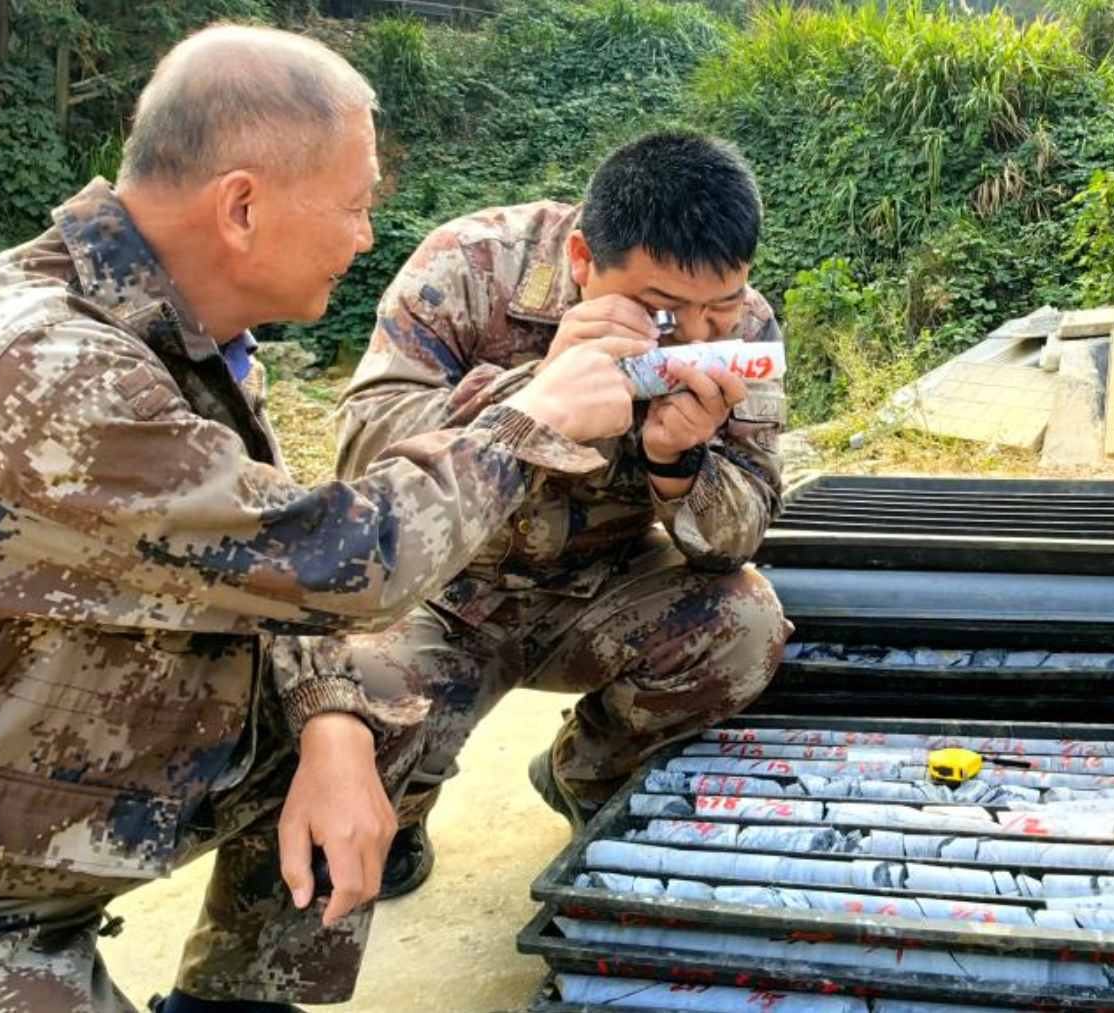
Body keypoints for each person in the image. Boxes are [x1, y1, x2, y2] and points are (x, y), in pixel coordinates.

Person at [0, 25, 644, 1012]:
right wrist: (531, 421)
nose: (365, 237)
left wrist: (332, 719)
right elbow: (341, 559)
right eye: (354, 205)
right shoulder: (53, 370)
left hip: (36, 793)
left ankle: (238, 997)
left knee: (375, 693)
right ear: (242, 206)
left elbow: (258, 566)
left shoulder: (168, 328)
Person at [333, 132, 790, 896]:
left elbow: (738, 536)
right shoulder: (469, 265)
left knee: (744, 623)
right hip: (446, 589)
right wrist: (535, 393)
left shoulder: (744, 326)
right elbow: (362, 463)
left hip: (602, 586)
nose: (696, 336)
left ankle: (587, 773)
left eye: (720, 307)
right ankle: (400, 808)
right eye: (662, 311)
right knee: (342, 702)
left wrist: (679, 466)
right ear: (582, 259)